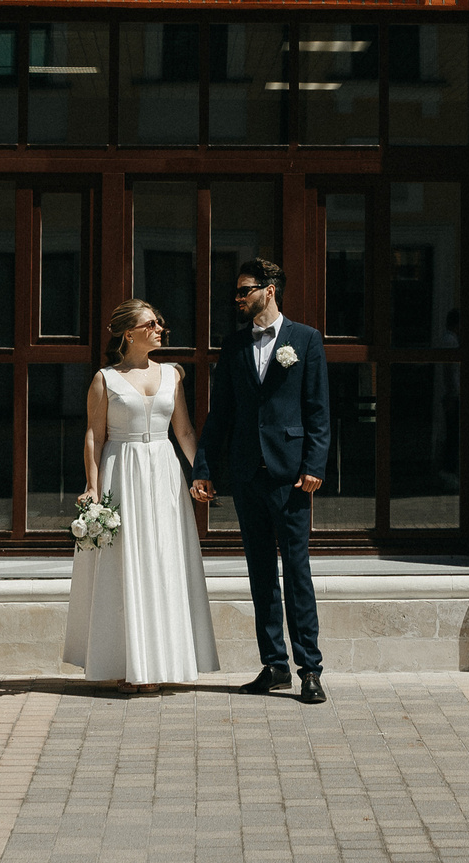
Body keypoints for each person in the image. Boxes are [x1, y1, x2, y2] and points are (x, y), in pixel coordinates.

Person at [191, 258, 332, 704]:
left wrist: (315, 464)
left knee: (297, 573)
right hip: (247, 474)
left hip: (292, 476)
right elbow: (221, 415)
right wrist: (204, 467)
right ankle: (274, 665)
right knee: (259, 574)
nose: (237, 299)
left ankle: (309, 669)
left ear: (269, 291)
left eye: (243, 291)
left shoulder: (305, 340)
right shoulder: (233, 346)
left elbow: (318, 410)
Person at [65, 299, 219, 691]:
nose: (160, 329)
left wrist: (199, 471)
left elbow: (183, 431)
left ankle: (161, 663)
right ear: (128, 333)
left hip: (163, 472)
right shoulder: (106, 379)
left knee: (163, 561)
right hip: (122, 471)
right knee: (123, 566)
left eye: (160, 323)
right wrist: (92, 486)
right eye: (151, 324)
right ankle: (123, 663)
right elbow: (94, 436)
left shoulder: (172, 375)